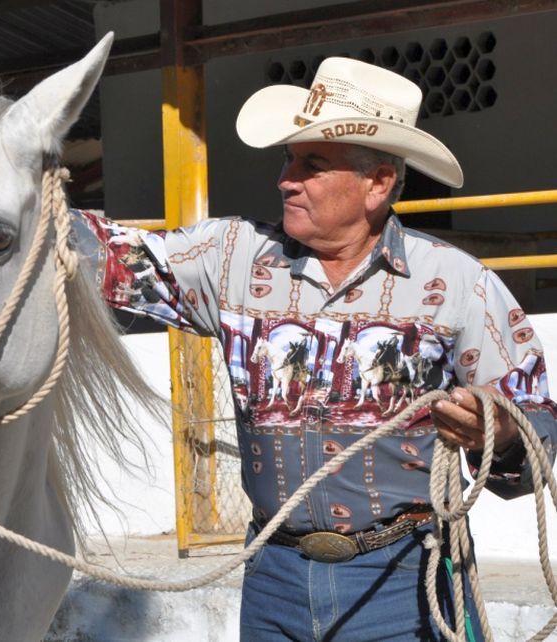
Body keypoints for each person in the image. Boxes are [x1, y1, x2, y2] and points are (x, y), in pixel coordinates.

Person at [72, 56, 557, 640]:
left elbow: (539, 428)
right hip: (274, 574)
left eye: (312, 164)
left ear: (377, 183)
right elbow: (105, 258)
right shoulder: (230, 258)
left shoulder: (458, 284)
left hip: (405, 577)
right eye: (288, 159)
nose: (285, 178)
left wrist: (497, 433)